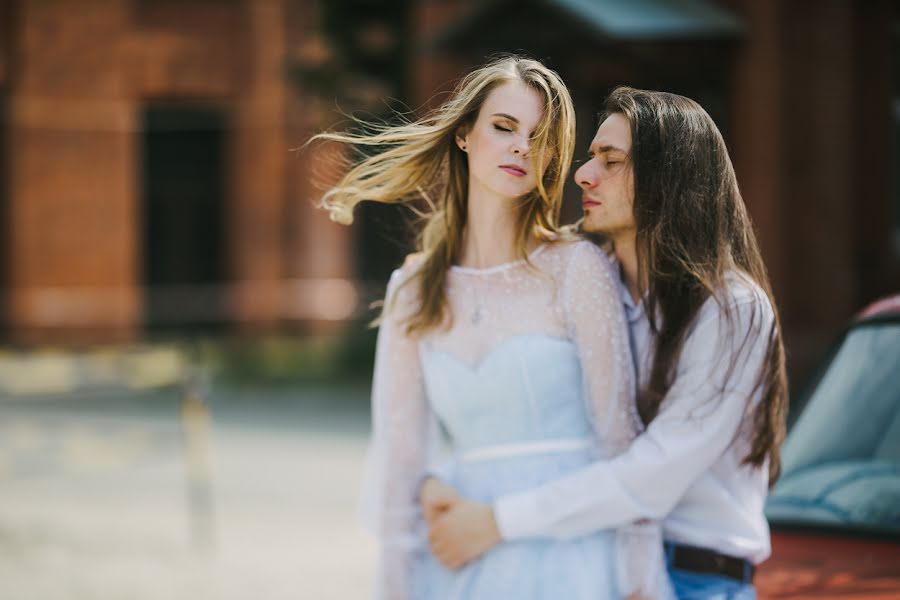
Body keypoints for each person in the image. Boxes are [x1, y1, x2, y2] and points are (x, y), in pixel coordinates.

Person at [316, 58, 669, 599]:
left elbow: (618, 440)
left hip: (574, 555)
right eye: (504, 127)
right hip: (460, 559)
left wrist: (641, 579)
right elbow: (399, 458)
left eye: (540, 137)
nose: (522, 147)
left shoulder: (577, 268)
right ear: (464, 134)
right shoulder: (414, 289)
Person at [423, 86, 789, 599]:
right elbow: (530, 412)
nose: (582, 174)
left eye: (609, 160)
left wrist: (498, 521)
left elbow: (656, 472)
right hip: (585, 562)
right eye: (591, 156)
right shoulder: (593, 287)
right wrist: (442, 477)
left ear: (670, 179)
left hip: (695, 578)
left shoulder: (731, 308)